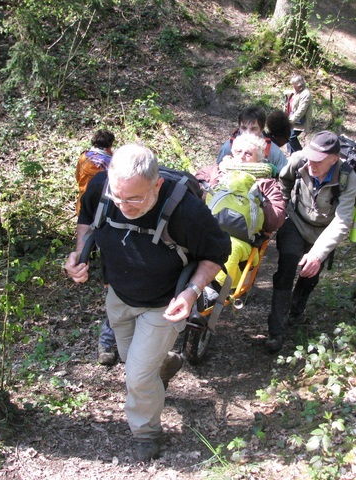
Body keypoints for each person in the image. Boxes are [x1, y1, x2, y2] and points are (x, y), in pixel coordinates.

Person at [65, 144, 231, 462]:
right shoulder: (101, 188)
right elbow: (87, 217)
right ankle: (164, 363)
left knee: (137, 376)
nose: (124, 206)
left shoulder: (186, 212)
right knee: (132, 361)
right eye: (118, 197)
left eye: (135, 199)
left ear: (156, 185)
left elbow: (216, 254)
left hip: (163, 304)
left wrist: (192, 292)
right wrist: (79, 252)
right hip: (119, 294)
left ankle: (146, 433)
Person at [266, 131, 356, 353]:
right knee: (286, 268)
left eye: (319, 160)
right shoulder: (299, 160)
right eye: (311, 157)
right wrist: (282, 207)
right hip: (295, 220)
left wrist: (317, 255)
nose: (312, 163)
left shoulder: (348, 178)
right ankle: (275, 332)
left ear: (334, 159)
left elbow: (343, 220)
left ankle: (295, 313)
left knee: (310, 275)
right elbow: (284, 181)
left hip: (324, 231)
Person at [196, 133, 286, 288]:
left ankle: (213, 290)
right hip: (206, 226)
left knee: (230, 247)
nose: (242, 157)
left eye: (248, 153)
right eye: (238, 152)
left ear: (259, 157)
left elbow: (277, 219)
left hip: (240, 237)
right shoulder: (215, 171)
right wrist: (208, 192)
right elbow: (194, 185)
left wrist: (259, 203)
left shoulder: (266, 184)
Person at [74, 129, 119, 366]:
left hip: (86, 203)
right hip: (102, 206)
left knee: (90, 241)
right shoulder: (109, 164)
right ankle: (109, 343)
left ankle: (86, 262)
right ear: (109, 144)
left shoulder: (84, 157)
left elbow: (77, 177)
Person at [216, 106, 288, 174]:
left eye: (253, 129)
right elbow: (217, 171)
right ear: (239, 127)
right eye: (244, 128)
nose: (248, 133)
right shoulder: (228, 147)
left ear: (261, 129)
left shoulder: (273, 151)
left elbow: (286, 176)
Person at [285, 74, 313, 154]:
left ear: (300, 85)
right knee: (287, 135)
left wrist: (290, 121)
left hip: (300, 121)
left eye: (294, 86)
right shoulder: (295, 92)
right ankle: (291, 155)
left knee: (291, 136)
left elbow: (301, 111)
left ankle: (301, 155)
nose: (293, 88)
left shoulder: (306, 94)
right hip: (292, 119)